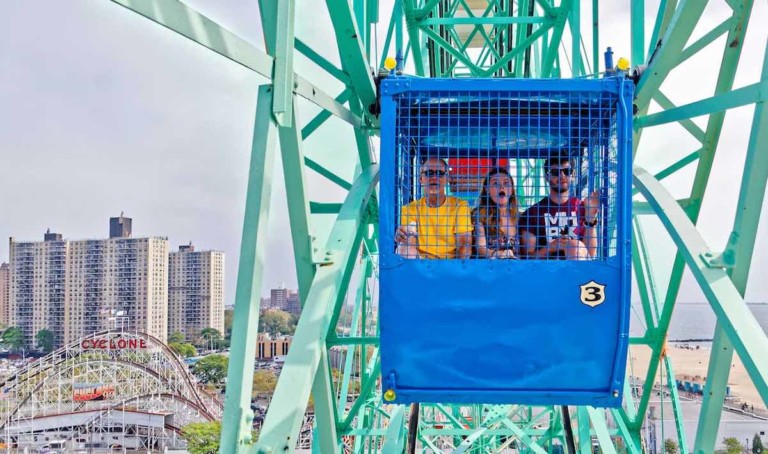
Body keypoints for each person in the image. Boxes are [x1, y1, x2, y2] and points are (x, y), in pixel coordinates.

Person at [520, 155, 599, 259]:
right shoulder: (533, 213)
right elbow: (527, 259)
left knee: (574, 246)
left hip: (578, 269)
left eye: (567, 171)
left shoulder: (582, 208)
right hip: (547, 272)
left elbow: (590, 254)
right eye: (555, 172)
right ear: (547, 177)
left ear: (573, 175)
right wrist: (550, 247)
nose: (562, 176)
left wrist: (590, 218)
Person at [395, 157, 473, 259]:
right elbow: (410, 243)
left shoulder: (460, 206)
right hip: (420, 265)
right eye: (429, 173)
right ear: (420, 179)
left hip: (451, 265)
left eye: (440, 173)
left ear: (447, 179)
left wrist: (456, 271)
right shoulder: (409, 209)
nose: (434, 177)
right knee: (403, 247)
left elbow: (464, 245)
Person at [474, 167, 519, 259]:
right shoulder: (478, 216)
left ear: (511, 190)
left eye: (506, 183)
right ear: (487, 189)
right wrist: (497, 254)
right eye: (496, 183)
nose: (501, 187)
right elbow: (481, 248)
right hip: (490, 269)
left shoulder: (521, 217)